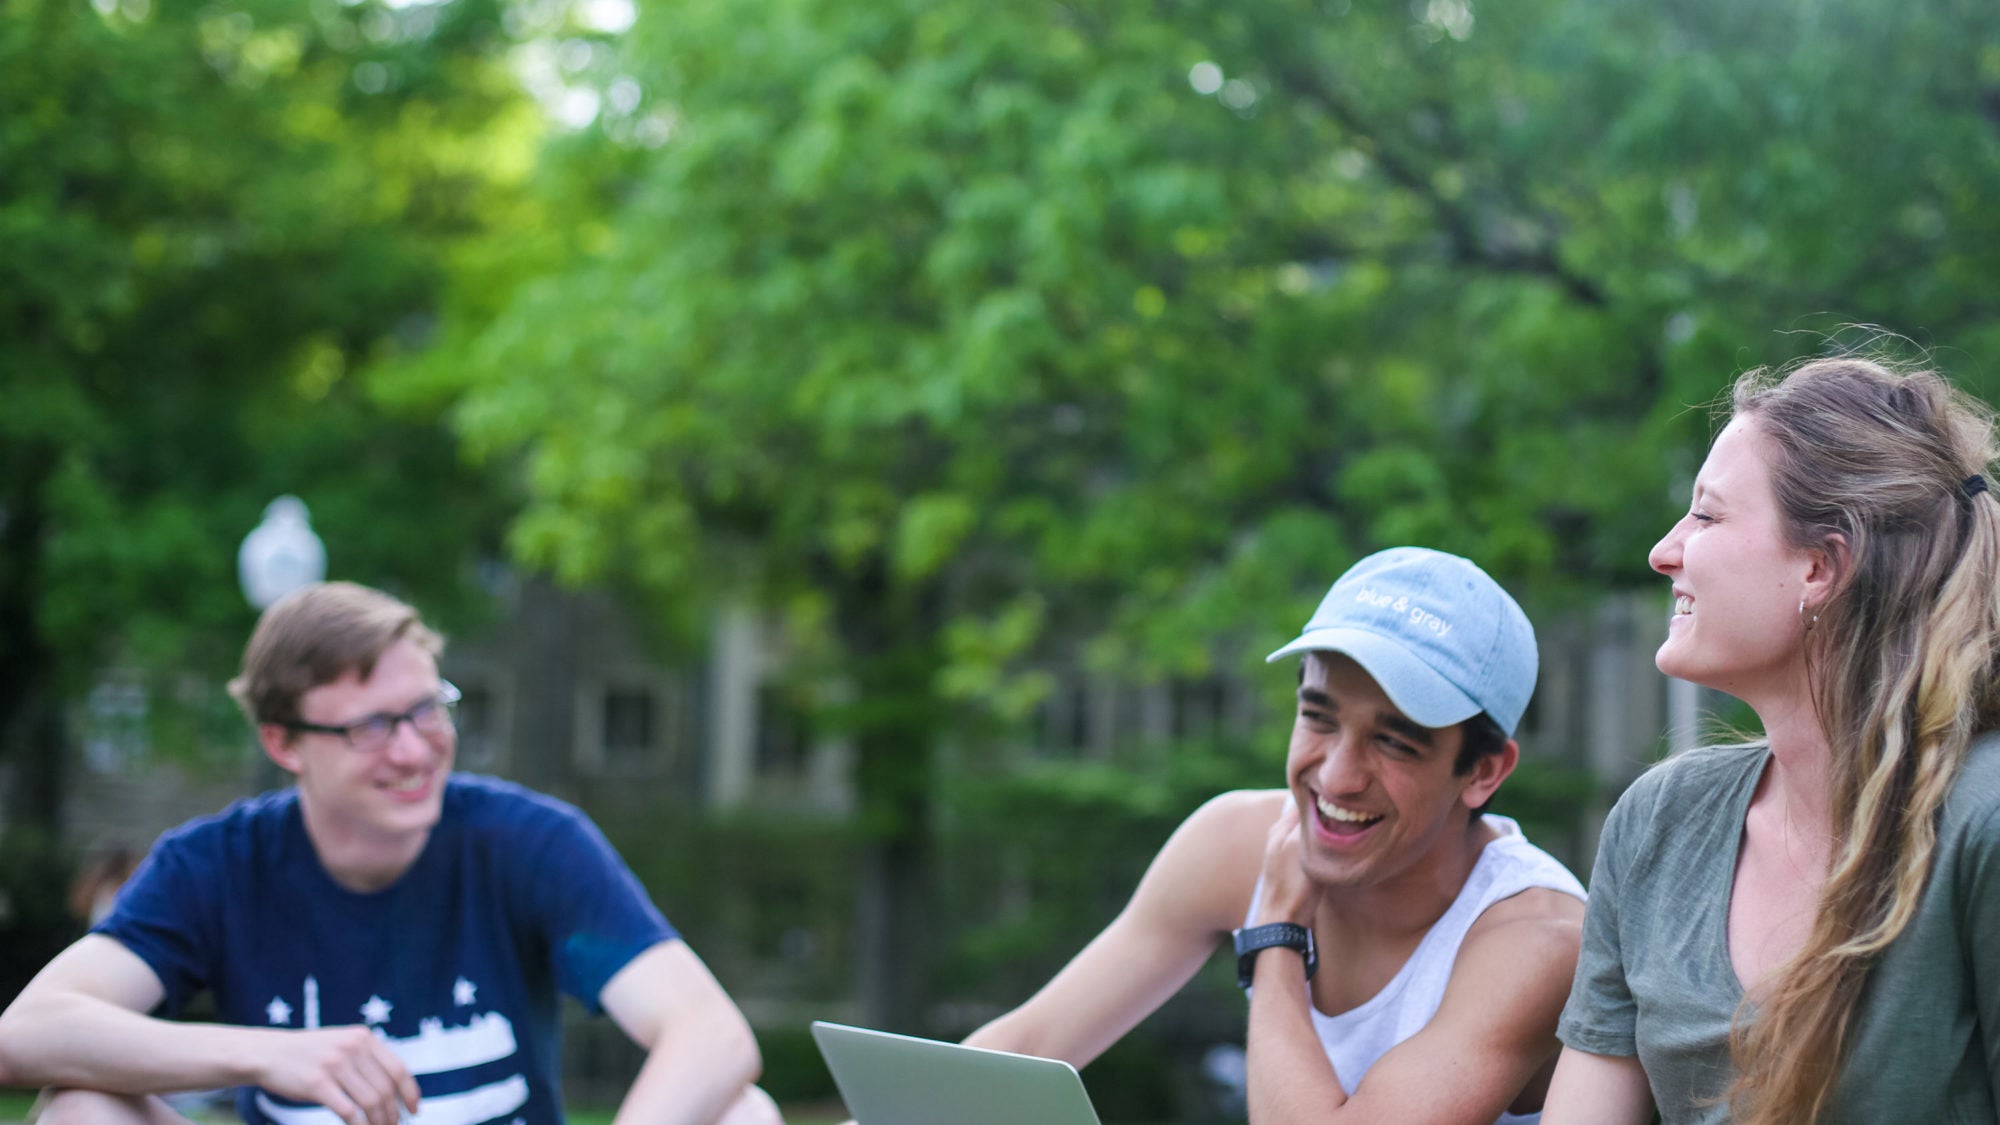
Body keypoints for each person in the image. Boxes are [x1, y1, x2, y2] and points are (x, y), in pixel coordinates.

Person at [0, 582, 781, 1125]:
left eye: (426, 710)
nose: (415, 750)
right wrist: (267, 1055)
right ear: (284, 743)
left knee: (741, 1110)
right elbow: (23, 1032)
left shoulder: (528, 840)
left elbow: (711, 1031)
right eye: (372, 726)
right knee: (81, 1108)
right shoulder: (215, 865)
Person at [963, 547, 1586, 1124]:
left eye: (1393, 741)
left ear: (1482, 772)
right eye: (1318, 718)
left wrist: (1277, 938)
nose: (1338, 778)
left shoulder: (1538, 938)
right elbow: (1025, 1049)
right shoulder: (1234, 840)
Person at [1542, 356, 2000, 1124]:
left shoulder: (1981, 820)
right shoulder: (1659, 821)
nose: (1664, 550)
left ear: (1820, 566)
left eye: (1707, 515)